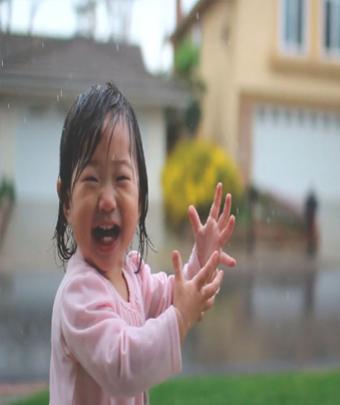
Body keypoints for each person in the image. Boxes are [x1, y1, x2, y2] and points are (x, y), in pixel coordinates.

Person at [49, 82, 236, 404]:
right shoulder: (78, 295)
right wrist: (180, 318)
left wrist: (202, 259)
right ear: (66, 200)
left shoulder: (132, 274)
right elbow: (124, 367)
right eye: (91, 179)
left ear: (141, 197)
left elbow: (172, 295)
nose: (107, 199)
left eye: (121, 179)